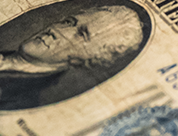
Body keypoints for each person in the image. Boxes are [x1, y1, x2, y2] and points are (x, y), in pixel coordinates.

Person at [0, 6, 146, 107]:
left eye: (81, 35)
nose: (59, 31)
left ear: (88, 58)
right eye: (68, 22)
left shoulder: (18, 101)